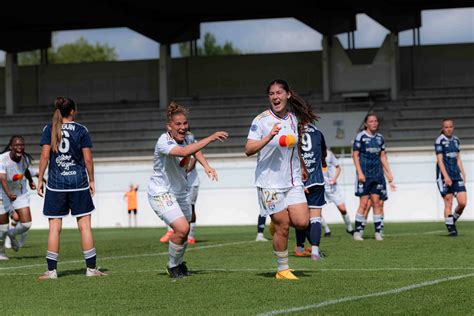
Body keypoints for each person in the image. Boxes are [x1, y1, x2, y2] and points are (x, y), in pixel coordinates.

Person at [148, 101, 228, 279]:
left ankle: (178, 263)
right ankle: (172, 265)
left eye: (185, 123)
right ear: (169, 126)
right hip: (161, 192)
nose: (183, 127)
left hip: (180, 192)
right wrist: (211, 138)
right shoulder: (164, 141)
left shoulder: (189, 137)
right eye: (178, 124)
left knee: (185, 230)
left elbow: (194, 148)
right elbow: (185, 153)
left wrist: (206, 166)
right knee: (182, 228)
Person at [245, 79, 314, 280]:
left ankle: (274, 223)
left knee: (302, 222)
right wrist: (269, 137)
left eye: (279, 93)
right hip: (269, 183)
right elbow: (248, 150)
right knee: (284, 226)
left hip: (292, 180)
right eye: (271, 94)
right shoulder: (261, 120)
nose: (275, 97)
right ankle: (282, 269)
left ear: (288, 95)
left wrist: (301, 164)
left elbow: (293, 146)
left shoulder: (293, 119)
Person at [37, 96, 106, 279]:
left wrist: (40, 179)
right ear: (73, 111)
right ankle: (91, 269)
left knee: (54, 228)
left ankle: (51, 271)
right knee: (85, 227)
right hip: (78, 183)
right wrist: (91, 180)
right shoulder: (81, 130)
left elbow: (44, 157)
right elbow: (88, 159)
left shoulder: (49, 129)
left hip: (56, 184)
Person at [352, 113, 394, 241]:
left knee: (377, 203)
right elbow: (355, 155)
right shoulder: (360, 137)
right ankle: (357, 232)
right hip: (364, 175)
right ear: (366, 124)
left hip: (377, 175)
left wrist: (389, 172)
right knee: (364, 203)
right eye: (371, 121)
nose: (374, 123)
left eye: (375, 121)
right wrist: (359, 172)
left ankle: (378, 232)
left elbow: (382, 156)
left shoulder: (380, 138)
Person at [294, 121, 327, 261]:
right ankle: (314, 251)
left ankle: (300, 247)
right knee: (315, 218)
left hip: (298, 181)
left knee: (299, 216)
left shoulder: (293, 133)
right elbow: (323, 154)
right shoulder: (318, 133)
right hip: (316, 180)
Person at [0, 136, 36, 259]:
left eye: (21, 145)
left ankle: (12, 233)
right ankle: (1, 252)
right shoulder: (2, 159)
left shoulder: (24, 158)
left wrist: (31, 181)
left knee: (27, 224)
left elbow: (25, 170)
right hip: (3, 193)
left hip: (20, 193)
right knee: (2, 228)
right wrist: (8, 193)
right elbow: (2, 178)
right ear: (11, 147)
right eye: (16, 145)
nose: (19, 147)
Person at [435, 118, 467, 236]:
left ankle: (451, 220)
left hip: (456, 175)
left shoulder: (456, 140)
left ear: (453, 127)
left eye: (450, 127)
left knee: (462, 202)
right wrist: (446, 176)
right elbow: (439, 160)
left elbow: (458, 158)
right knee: (448, 201)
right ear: (443, 128)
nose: (448, 129)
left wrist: (463, 173)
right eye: (446, 127)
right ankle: (451, 229)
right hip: (444, 176)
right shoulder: (440, 141)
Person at [321, 149, 354, 236]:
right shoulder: (311, 154)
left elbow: (338, 167)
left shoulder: (329, 153)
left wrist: (334, 179)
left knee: (342, 209)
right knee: (316, 211)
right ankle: (327, 230)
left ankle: (349, 228)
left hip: (332, 187)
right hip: (319, 186)